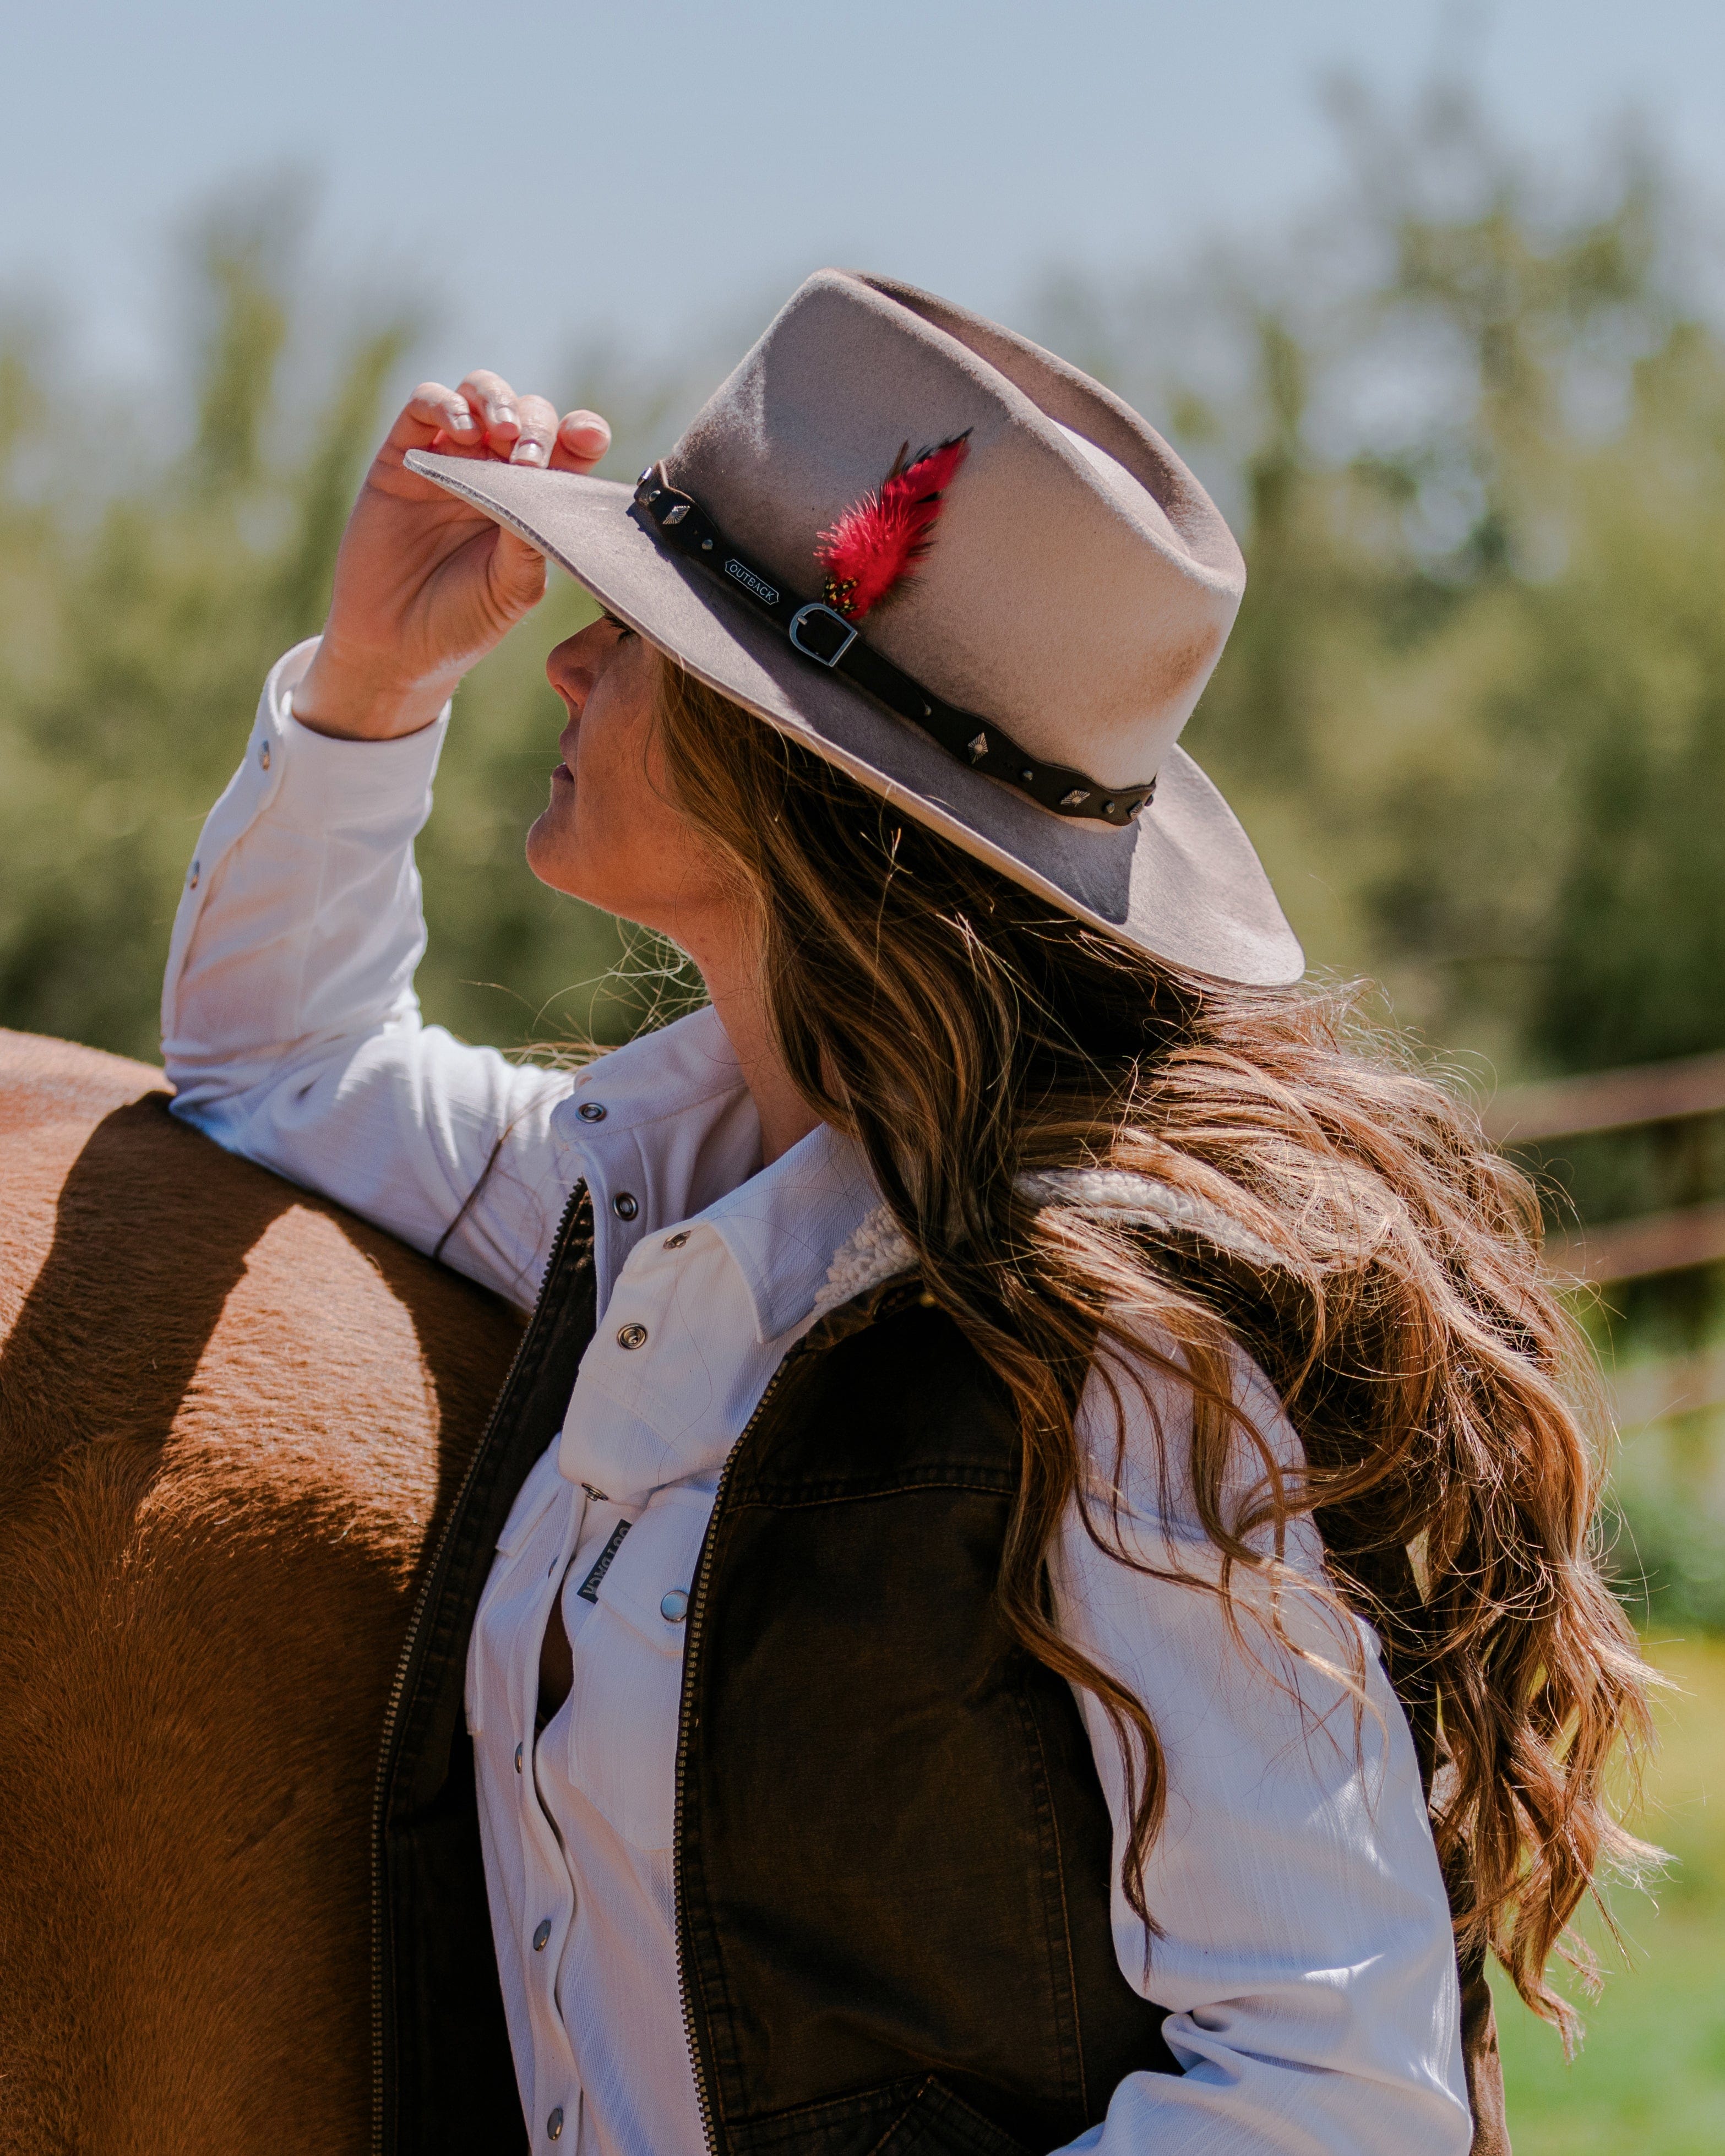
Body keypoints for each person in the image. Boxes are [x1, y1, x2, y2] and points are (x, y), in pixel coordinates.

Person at [161, 271, 1651, 2156]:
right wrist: (372, 687)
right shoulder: (645, 1200)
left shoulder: (1113, 1357)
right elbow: (270, 1064)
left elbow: (1335, 2104)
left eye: (638, 636)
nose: (566, 663)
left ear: (780, 764)